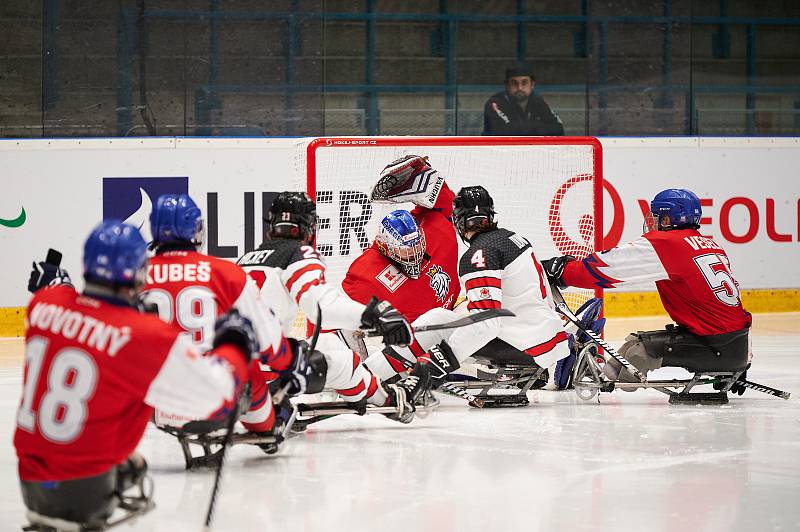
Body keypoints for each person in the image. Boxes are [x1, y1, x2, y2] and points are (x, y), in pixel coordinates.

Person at [15, 220, 264, 530]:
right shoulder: (141, 335)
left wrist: (58, 283)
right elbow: (217, 397)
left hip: (29, 482)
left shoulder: (42, 305)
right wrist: (234, 346)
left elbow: (72, 304)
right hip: (84, 491)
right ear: (136, 271)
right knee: (136, 455)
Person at [236, 191, 427, 423]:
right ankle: (392, 401)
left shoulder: (246, 258)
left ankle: (269, 402)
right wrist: (376, 317)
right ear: (309, 225)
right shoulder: (297, 254)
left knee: (325, 342)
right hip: (267, 372)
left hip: (233, 369)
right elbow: (321, 307)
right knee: (344, 362)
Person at [366, 185, 576, 390]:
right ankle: (368, 373)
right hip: (546, 337)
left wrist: (434, 365)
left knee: (439, 328)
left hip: (526, 347)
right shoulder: (514, 238)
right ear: (490, 214)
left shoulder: (478, 255)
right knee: (438, 318)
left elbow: (486, 324)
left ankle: (362, 379)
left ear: (458, 220)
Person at [542, 188, 752, 390]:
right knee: (627, 352)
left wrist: (561, 270)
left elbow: (606, 268)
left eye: (657, 217)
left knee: (636, 355)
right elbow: (736, 310)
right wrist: (742, 355)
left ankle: (586, 366)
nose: (654, 222)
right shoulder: (710, 244)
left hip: (713, 345)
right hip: (734, 343)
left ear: (668, 220)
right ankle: (593, 365)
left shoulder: (668, 243)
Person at [141, 193, 305, 442]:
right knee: (246, 360)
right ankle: (267, 428)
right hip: (213, 401)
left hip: (157, 406)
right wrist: (289, 361)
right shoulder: (225, 272)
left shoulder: (134, 277)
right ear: (196, 230)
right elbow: (267, 339)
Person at [340, 155, 461, 380]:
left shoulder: (435, 229)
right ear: (387, 247)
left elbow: (444, 200)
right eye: (405, 252)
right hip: (416, 340)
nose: (413, 256)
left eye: (416, 247)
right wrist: (353, 366)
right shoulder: (367, 272)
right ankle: (356, 376)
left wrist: (420, 173)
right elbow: (335, 314)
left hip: (455, 318)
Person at [483, 62, 564, 136]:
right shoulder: (495, 103)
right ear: (507, 85)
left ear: (532, 85)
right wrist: (538, 126)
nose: (519, 88)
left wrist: (523, 128)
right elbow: (503, 131)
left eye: (524, 82)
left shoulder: (538, 101)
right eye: (514, 83)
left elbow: (558, 128)